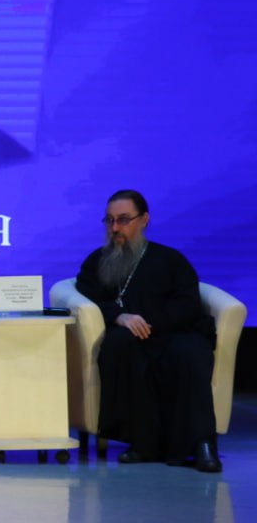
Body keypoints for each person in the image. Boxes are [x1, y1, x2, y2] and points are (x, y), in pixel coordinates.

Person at [74, 189, 220, 473]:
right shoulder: (97, 262)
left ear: (144, 220)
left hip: (173, 331)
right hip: (129, 336)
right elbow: (86, 299)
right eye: (109, 220)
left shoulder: (170, 260)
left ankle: (202, 444)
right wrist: (119, 316)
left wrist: (150, 323)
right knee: (120, 345)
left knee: (190, 353)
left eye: (123, 220)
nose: (115, 228)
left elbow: (188, 303)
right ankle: (141, 443)